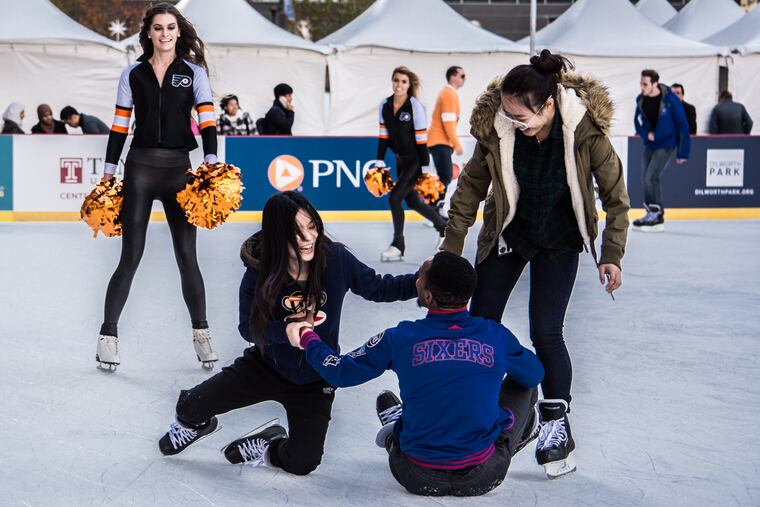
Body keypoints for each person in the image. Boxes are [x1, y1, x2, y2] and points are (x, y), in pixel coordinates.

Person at [440, 50, 630, 479]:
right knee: (481, 322)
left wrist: (611, 254)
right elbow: (470, 189)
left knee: (546, 331)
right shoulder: (498, 127)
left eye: (520, 116)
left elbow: (616, 198)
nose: (512, 121)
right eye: (506, 113)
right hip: (510, 231)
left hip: (560, 238)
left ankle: (555, 423)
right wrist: (451, 246)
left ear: (547, 106)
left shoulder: (585, 131)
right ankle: (478, 409)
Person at [157, 191, 419, 477]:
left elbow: (379, 288)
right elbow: (248, 328)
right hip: (266, 366)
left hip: (316, 376)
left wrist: (424, 282)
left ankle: (266, 445)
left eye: (312, 226)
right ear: (277, 235)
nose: (308, 238)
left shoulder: (336, 259)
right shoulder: (259, 272)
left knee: (303, 462)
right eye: (296, 232)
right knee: (189, 406)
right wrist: (285, 331)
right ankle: (196, 426)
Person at [284, 251, 544, 496]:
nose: (416, 280)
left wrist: (307, 336)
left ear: (428, 297)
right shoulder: (496, 336)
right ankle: (505, 439)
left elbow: (339, 372)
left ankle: (396, 432)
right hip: (483, 475)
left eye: (419, 277)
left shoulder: (401, 338)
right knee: (525, 382)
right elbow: (535, 374)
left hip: (415, 475)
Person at [94, 2, 220, 371]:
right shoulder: (132, 74)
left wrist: (211, 159)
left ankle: (202, 335)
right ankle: (107, 338)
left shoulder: (194, 73)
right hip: (140, 169)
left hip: (180, 170)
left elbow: (207, 121)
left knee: (187, 257)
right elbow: (120, 127)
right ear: (148, 33)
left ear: (179, 32)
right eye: (158, 28)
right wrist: (108, 171)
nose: (165, 34)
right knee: (130, 257)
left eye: (170, 27)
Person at [376, 66, 447, 262]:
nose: (399, 85)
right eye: (396, 80)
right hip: (400, 161)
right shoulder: (384, 105)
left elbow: (422, 140)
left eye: (403, 81)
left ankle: (398, 245)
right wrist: (379, 160)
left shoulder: (415, 106)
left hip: (415, 161)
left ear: (409, 85)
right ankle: (443, 228)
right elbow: (383, 136)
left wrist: (424, 167)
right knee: (412, 202)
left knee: (395, 199)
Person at [633, 69, 690, 232]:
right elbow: (637, 121)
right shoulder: (641, 99)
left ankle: (656, 214)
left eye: (645, 84)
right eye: (641, 84)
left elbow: (682, 125)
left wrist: (683, 152)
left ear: (655, 83)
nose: (642, 87)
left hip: (667, 143)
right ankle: (652, 213)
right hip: (650, 144)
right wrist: (646, 134)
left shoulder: (670, 99)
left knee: (651, 176)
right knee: (646, 178)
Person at [427, 66, 466, 216]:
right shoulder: (449, 94)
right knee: (445, 176)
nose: (464, 79)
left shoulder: (449, 93)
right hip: (440, 142)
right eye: (462, 76)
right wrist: (456, 144)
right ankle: (434, 211)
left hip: (440, 142)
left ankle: (433, 210)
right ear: (452, 77)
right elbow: (448, 122)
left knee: (444, 176)